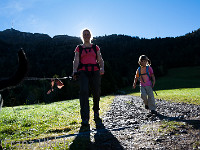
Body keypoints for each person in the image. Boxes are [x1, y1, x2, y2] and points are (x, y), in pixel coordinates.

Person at [72, 28, 104, 126]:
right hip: (83, 72)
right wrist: (74, 70)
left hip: (95, 71)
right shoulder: (79, 48)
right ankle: (85, 118)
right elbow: (76, 60)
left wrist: (102, 67)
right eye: (84, 34)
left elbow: (100, 59)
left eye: (88, 34)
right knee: (84, 92)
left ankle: (96, 111)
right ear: (82, 36)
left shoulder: (95, 47)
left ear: (90, 36)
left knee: (96, 92)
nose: (86, 36)